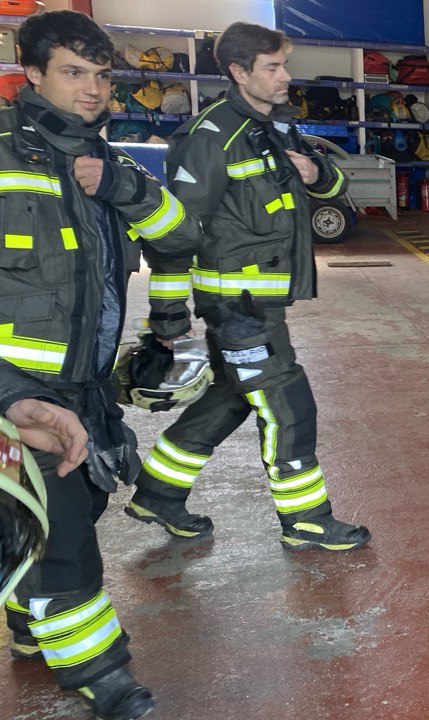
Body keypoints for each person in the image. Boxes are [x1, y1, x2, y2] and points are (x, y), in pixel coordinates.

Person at [0, 10, 204, 718]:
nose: (92, 90)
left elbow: (182, 233)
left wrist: (122, 189)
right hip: (18, 396)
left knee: (78, 508)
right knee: (65, 543)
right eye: (73, 73)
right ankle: (106, 679)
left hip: (88, 388)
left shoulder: (109, 162)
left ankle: (29, 625)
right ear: (30, 75)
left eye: (102, 75)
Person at [125, 22, 370, 552]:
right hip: (235, 306)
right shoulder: (209, 139)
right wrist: (167, 319)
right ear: (238, 73)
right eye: (273, 67)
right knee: (287, 404)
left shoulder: (275, 125)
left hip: (264, 302)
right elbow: (173, 237)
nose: (286, 77)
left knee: (233, 398)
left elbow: (332, 187)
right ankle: (306, 518)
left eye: (285, 64)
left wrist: (315, 173)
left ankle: (158, 493)